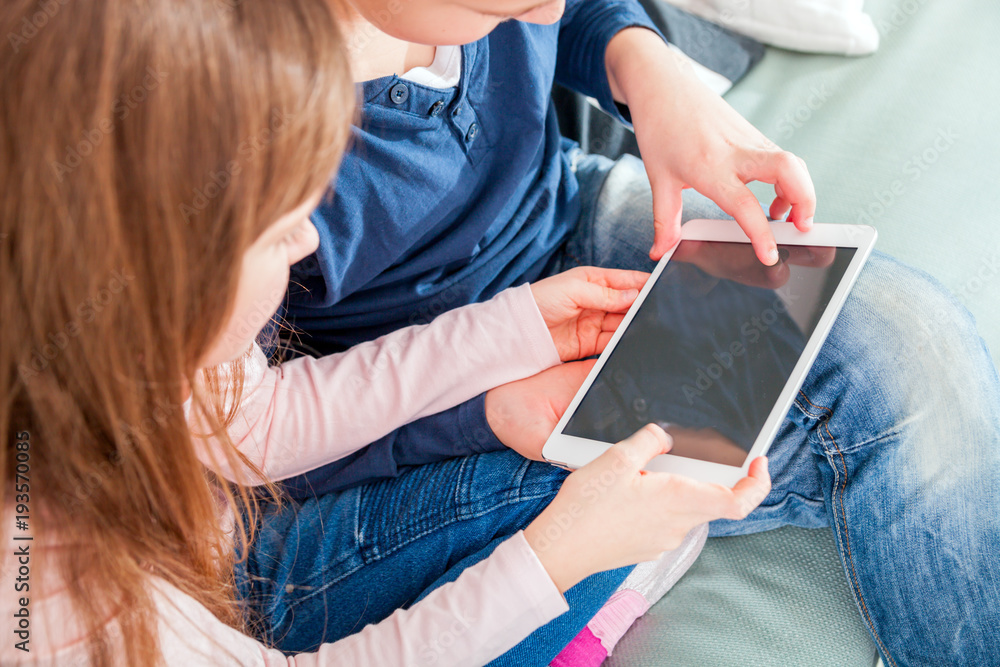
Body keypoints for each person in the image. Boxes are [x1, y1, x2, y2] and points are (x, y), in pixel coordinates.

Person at [0, 0, 772, 665]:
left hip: (215, 543)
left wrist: (517, 328)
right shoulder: (48, 585)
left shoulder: (118, 338)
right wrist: (560, 553)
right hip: (233, 583)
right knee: (604, 500)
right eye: (281, 231)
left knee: (610, 470)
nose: (308, 244)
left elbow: (260, 417)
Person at [270, 0, 1000, 664]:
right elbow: (254, 435)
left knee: (913, 352)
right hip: (415, 387)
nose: (544, 10)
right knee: (654, 468)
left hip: (565, 216)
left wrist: (644, 63)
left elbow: (575, 10)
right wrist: (476, 412)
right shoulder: (252, 157)